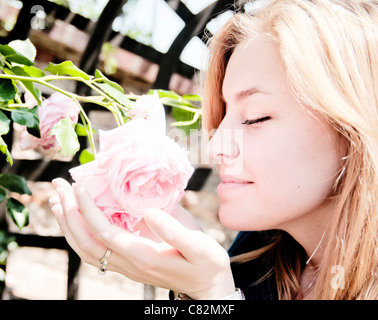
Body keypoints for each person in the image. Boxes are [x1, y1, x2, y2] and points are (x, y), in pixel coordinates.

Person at [50, 0, 378, 300]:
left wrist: (213, 294)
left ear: (353, 128)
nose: (214, 145)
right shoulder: (256, 255)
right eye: (223, 115)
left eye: (254, 117)